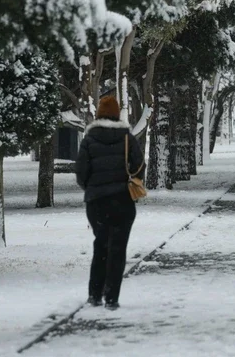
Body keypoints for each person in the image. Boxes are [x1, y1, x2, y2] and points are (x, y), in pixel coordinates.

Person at [76, 96, 144, 310]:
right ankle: (112, 297)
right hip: (123, 200)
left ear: (98, 114)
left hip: (96, 202)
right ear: (117, 115)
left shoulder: (88, 139)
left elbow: (81, 173)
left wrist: (92, 188)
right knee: (118, 248)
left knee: (101, 244)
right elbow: (140, 165)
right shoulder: (127, 138)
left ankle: (95, 294)